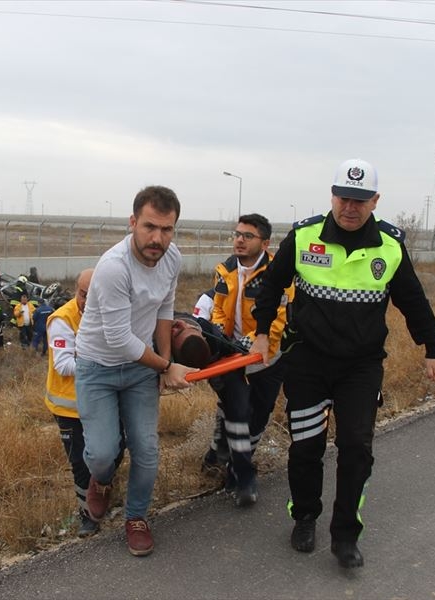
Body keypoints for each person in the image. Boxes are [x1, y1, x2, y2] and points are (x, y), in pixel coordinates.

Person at [251, 158, 435, 569]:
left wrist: (432, 347)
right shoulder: (305, 236)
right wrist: (261, 333)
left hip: (360, 367)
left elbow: (412, 300)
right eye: (343, 197)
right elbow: (271, 285)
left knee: (356, 447)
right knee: (307, 447)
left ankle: (345, 535)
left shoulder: (390, 246)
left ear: (375, 201)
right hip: (307, 361)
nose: (350, 207)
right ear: (332, 196)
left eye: (360, 200)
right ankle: (304, 516)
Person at [74, 185, 196, 557]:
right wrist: (167, 365)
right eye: (149, 227)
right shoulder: (113, 268)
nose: (157, 238)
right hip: (98, 366)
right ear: (132, 223)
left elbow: (165, 308)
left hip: (141, 367)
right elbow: (119, 339)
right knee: (101, 453)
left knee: (146, 449)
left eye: (167, 229)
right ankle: (103, 479)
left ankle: (136, 517)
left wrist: (163, 361)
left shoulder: (171, 258)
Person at [202, 213, 293, 507]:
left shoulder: (278, 273)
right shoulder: (224, 270)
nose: (239, 240)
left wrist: (253, 342)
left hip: (267, 357)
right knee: (238, 409)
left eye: (247, 236)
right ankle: (242, 473)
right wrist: (219, 335)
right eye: (237, 234)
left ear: (265, 242)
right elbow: (217, 308)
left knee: (258, 415)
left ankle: (222, 452)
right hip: (231, 357)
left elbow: (279, 319)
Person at [44, 268, 120, 537]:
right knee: (79, 461)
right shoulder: (62, 319)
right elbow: (64, 364)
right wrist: (102, 360)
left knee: (110, 451)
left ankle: (102, 490)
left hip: (103, 401)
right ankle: (87, 515)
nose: (86, 301)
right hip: (69, 407)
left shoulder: (109, 314)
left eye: (93, 295)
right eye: (82, 294)